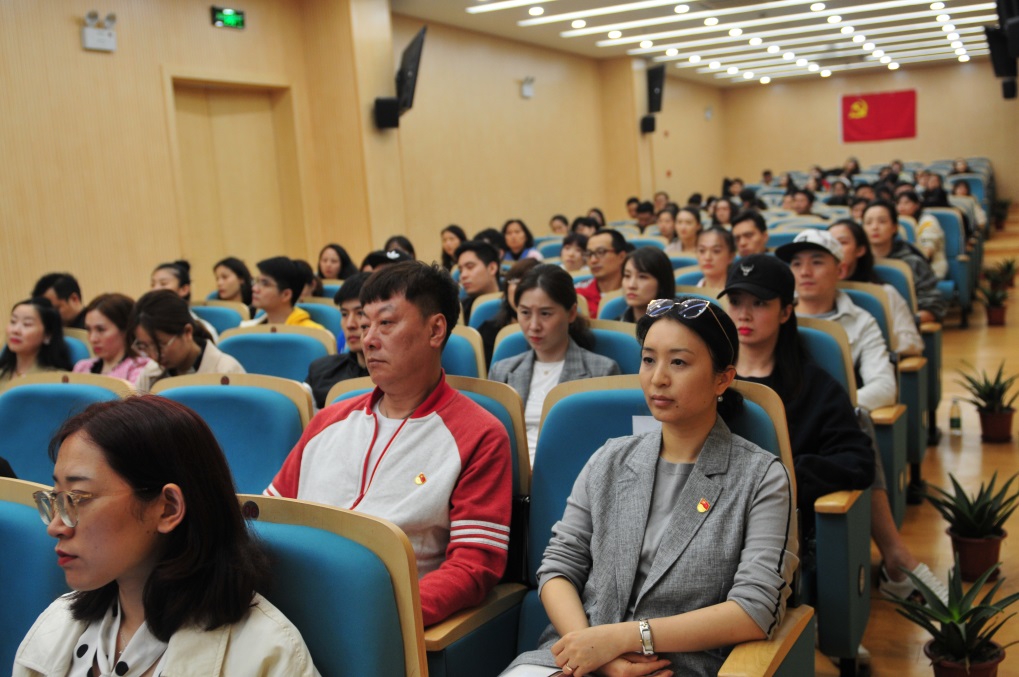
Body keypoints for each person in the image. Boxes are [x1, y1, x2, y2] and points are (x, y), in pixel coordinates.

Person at [502, 293, 796, 677]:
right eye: (649, 360)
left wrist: (624, 638)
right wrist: (595, 652)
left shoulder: (760, 477)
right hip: (575, 660)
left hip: (678, 667)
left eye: (679, 362)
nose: (658, 378)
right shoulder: (609, 458)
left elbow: (755, 608)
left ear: (723, 378)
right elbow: (558, 566)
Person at [265, 261, 512, 627]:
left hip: (376, 623)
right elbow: (268, 521)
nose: (368, 339)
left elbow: (473, 567)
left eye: (386, 323)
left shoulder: (479, 434)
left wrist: (382, 615)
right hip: (286, 609)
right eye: (365, 324)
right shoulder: (328, 421)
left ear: (435, 330)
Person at [15, 396, 318, 675]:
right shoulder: (56, 624)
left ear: (168, 508)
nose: (55, 526)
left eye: (78, 497)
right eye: (56, 498)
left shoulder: (268, 657)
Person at [723, 256, 946, 616]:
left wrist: (789, 475)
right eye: (735, 302)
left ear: (785, 311)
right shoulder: (711, 381)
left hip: (780, 531)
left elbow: (857, 461)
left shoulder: (815, 387)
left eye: (760, 303)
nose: (744, 315)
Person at [489, 265, 620, 459]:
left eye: (545, 314)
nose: (534, 326)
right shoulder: (502, 371)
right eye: (525, 313)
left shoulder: (602, 372)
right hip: (511, 471)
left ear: (571, 313)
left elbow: (605, 446)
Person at [775, 230, 896, 412]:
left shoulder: (861, 322)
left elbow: (884, 386)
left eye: (816, 262)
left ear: (841, 270)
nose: (805, 272)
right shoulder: (774, 317)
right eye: (797, 264)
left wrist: (830, 408)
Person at [828, 219, 924, 356]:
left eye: (842, 243)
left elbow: (912, 342)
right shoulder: (813, 296)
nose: (834, 250)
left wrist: (871, 340)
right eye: (829, 244)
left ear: (860, 250)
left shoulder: (884, 293)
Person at [131, 290, 244, 393]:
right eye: (144, 346)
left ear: (187, 332)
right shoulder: (149, 375)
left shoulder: (226, 371)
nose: (154, 356)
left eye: (161, 345)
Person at [863, 200, 946, 323]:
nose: (874, 227)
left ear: (894, 227)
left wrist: (904, 323)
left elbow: (934, 306)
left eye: (882, 221)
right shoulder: (857, 263)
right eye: (868, 222)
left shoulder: (912, 263)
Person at [304, 273, 371, 409]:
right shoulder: (321, 371)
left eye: (360, 313)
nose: (350, 324)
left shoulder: (403, 379)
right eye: (344, 314)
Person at [72, 294, 150, 385]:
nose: (92, 339)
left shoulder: (141, 369)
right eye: (88, 330)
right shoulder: (81, 368)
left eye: (101, 330)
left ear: (125, 329)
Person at [478, 259, 541, 367]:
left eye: (528, 282)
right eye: (516, 282)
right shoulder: (488, 331)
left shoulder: (552, 332)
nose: (521, 289)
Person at [1, 298, 72, 387]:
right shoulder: (2, 373)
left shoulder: (57, 380)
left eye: (27, 324)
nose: (15, 330)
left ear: (47, 335)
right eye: (13, 322)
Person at [242, 257, 326, 330]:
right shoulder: (247, 329)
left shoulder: (312, 333)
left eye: (265, 283)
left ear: (286, 295)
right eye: (257, 281)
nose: (254, 288)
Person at [151, 260, 220, 341]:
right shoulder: (147, 325)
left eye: (163, 283)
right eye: (153, 284)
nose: (155, 289)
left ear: (184, 289)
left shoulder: (203, 331)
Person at [575, 229, 628, 318]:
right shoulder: (578, 294)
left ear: (621, 257)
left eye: (601, 252)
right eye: (589, 254)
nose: (593, 260)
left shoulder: (635, 293)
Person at [897, 191, 947, 279]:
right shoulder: (897, 223)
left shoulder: (928, 221)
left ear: (917, 205)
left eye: (906, 203)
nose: (901, 207)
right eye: (898, 203)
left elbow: (927, 253)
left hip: (931, 269)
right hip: (906, 269)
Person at [619, 247, 675, 323]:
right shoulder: (615, 324)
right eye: (627, 275)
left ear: (662, 283)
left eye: (642, 277)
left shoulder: (676, 327)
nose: (631, 285)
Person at [456, 240, 502, 324]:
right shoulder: (459, 310)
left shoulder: (513, 303)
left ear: (492, 268)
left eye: (470, 267)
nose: (463, 275)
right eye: (460, 270)